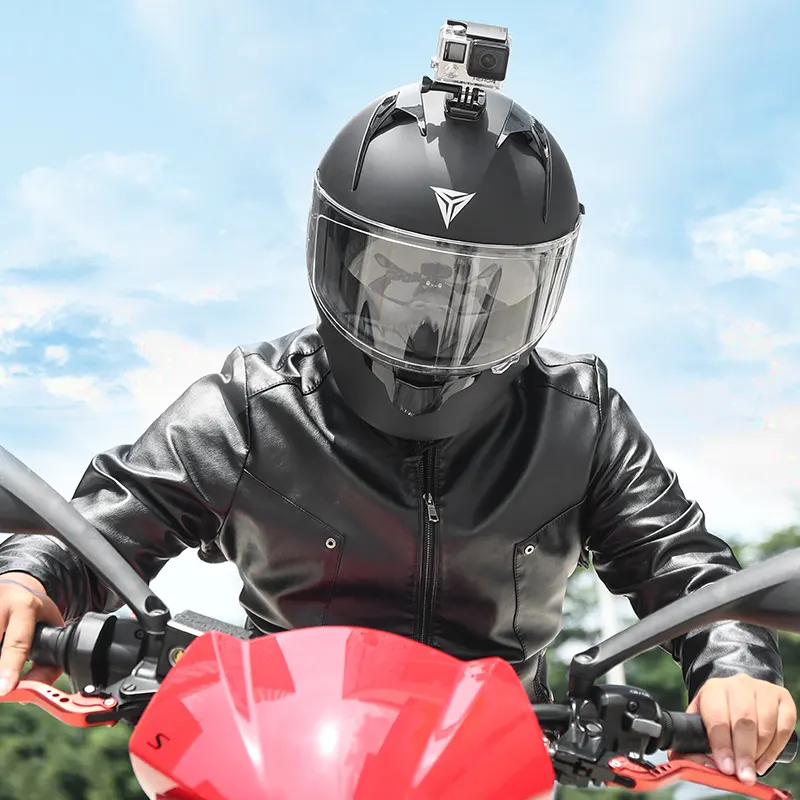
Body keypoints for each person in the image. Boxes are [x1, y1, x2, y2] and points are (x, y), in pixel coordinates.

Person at [0, 77, 795, 786]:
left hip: (500, 765)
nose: (436, 316)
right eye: (405, 274)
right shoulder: (251, 405)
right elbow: (113, 516)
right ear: (344, 260)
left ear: (536, 287)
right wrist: (31, 579)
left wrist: (735, 667)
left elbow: (680, 561)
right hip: (271, 755)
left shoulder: (579, 419)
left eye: (486, 286)